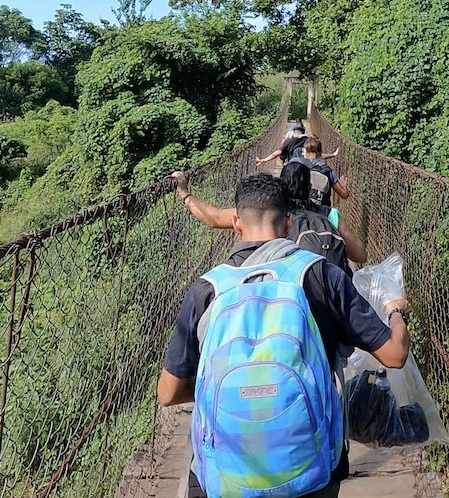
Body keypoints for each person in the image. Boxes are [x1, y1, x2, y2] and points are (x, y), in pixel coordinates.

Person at [157, 174, 411, 498]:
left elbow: (167, 394)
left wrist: (241, 384)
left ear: (236, 223)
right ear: (288, 223)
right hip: (309, 470)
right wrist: (396, 312)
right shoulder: (323, 275)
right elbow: (395, 355)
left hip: (225, 475)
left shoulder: (206, 290)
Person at [172, 169, 367, 271]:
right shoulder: (330, 214)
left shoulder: (264, 210)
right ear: (310, 187)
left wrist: (184, 194)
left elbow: (212, 218)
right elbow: (360, 256)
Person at [283, 136, 350, 208]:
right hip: (320, 213)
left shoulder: (295, 165)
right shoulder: (327, 170)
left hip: (298, 210)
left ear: (304, 150)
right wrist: (343, 186)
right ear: (320, 153)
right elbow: (344, 195)